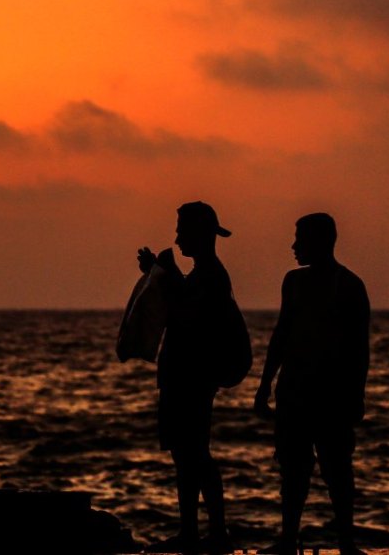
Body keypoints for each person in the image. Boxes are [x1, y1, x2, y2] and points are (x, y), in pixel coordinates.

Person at [254, 213, 370, 555]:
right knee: (292, 470)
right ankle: (288, 540)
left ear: (320, 241)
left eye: (300, 239)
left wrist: (356, 395)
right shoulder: (292, 282)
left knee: (337, 471)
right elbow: (280, 335)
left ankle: (347, 543)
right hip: (293, 393)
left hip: (332, 397)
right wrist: (264, 385)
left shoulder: (348, 285)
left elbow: (358, 347)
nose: (293, 246)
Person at [137, 202, 239, 554]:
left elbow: (186, 314)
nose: (178, 237)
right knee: (188, 455)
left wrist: (162, 275)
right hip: (186, 376)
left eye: (182, 230)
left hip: (192, 379)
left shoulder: (210, 276)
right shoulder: (202, 275)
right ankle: (195, 533)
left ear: (200, 233)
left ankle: (209, 533)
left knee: (194, 455)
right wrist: (161, 272)